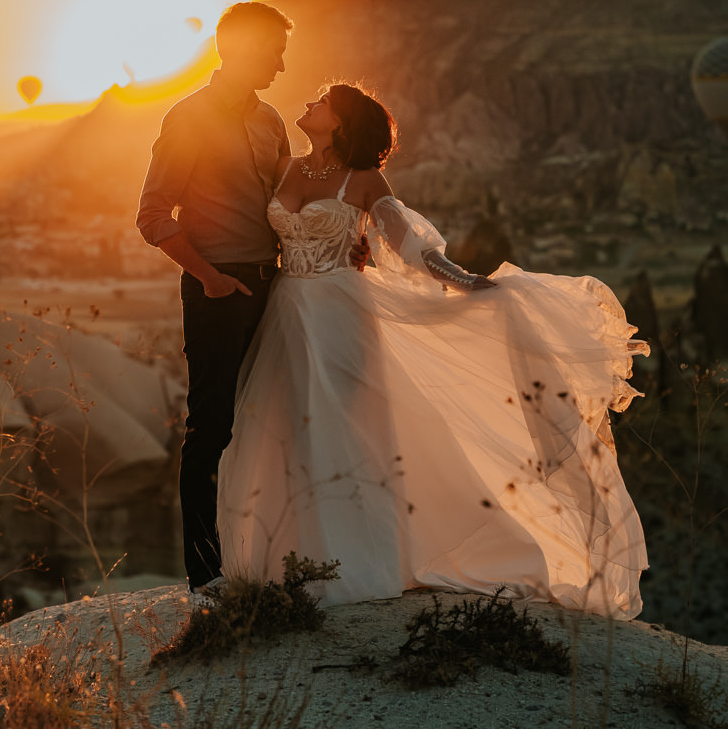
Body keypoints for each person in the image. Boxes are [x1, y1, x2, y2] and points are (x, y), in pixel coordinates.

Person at [217, 84, 650, 619]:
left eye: (322, 100)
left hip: (340, 315)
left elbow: (409, 245)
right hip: (286, 312)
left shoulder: (364, 180)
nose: (309, 103)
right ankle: (288, 563)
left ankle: (356, 564)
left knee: (344, 434)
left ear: (343, 122)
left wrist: (464, 280)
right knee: (283, 432)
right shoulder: (284, 166)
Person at [136, 1, 294, 593]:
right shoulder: (189, 118)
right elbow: (152, 215)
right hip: (218, 287)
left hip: (276, 284)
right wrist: (208, 276)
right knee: (213, 427)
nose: (281, 63)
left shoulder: (271, 119)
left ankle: (273, 558)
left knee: (274, 421)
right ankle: (206, 573)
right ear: (238, 48)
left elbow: (287, 202)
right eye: (274, 50)